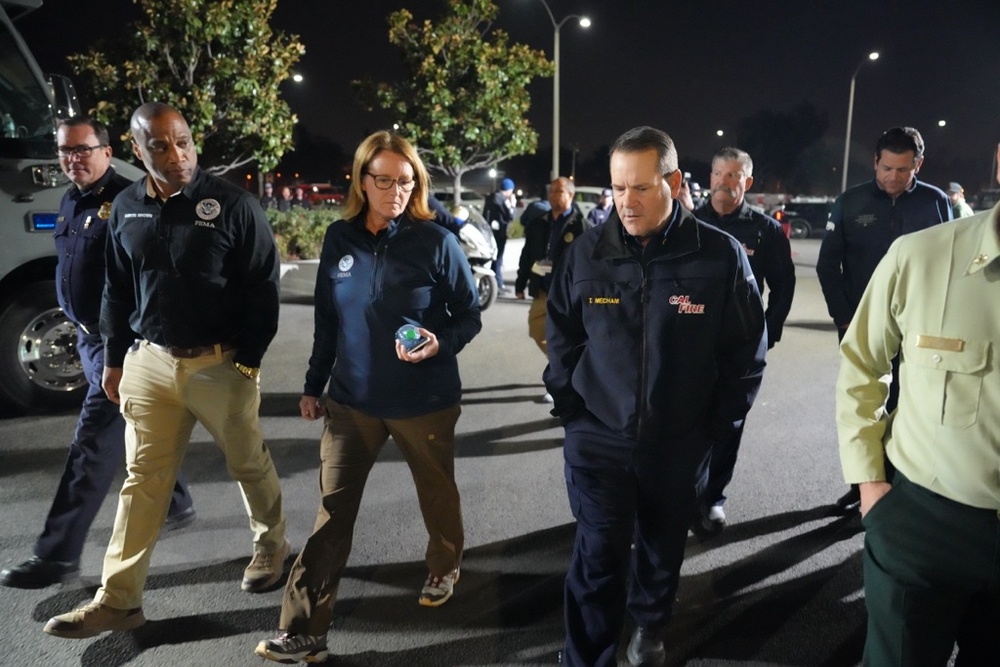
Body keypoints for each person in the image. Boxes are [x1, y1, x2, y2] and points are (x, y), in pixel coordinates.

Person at [43, 102, 288, 639]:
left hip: (221, 363)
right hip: (150, 364)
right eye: (159, 145)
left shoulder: (233, 205)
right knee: (143, 483)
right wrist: (114, 358)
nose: (176, 155)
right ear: (136, 149)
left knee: (248, 463)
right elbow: (116, 288)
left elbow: (263, 287)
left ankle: (271, 546)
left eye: (183, 141)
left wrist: (247, 359)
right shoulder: (126, 205)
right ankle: (120, 601)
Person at [254, 131, 481, 664]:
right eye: (384, 180)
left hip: (424, 400)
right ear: (361, 179)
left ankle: (444, 563)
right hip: (351, 402)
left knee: (436, 493)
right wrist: (313, 385)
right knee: (332, 514)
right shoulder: (339, 239)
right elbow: (328, 321)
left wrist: (439, 342)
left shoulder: (437, 242)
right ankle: (303, 630)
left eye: (407, 181)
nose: (396, 190)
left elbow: (469, 314)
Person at [545, 126, 766, 667]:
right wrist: (572, 406)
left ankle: (648, 624)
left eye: (639, 188)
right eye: (618, 189)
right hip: (598, 437)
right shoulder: (588, 252)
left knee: (662, 547)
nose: (626, 202)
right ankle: (586, 655)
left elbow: (745, 355)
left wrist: (712, 429)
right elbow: (562, 335)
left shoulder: (720, 256)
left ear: (671, 182)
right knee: (596, 555)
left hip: (678, 441)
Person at [0, 116, 195, 591]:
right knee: (136, 428)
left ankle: (57, 554)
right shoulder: (71, 198)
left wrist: (120, 351)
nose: (73, 159)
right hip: (88, 340)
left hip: (121, 346)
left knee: (91, 446)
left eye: (83, 150)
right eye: (65, 151)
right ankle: (177, 500)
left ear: (108, 152)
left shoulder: (131, 201)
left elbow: (146, 281)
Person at [836, 142, 1000, 666]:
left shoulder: (931, 200)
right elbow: (862, 362)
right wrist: (870, 485)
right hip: (923, 523)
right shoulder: (922, 254)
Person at [816, 126, 951, 515]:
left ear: (918, 166)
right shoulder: (850, 201)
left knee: (911, 405)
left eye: (903, 169)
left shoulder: (935, 203)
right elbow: (828, 266)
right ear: (875, 161)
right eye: (886, 167)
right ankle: (861, 484)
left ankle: (899, 481)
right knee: (863, 405)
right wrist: (845, 320)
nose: (892, 176)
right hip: (863, 326)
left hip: (919, 326)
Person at [693, 146, 795, 535]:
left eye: (734, 175)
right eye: (719, 173)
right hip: (692, 347)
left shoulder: (765, 230)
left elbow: (783, 285)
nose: (724, 182)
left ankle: (713, 498)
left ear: (747, 183)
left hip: (740, 352)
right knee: (686, 422)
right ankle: (685, 496)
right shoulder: (687, 221)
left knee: (728, 424)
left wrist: (767, 333)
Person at [514, 177, 588, 403]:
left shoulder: (580, 226)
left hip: (566, 292)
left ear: (571, 195)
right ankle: (569, 366)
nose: (554, 195)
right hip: (542, 287)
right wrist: (521, 282)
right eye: (552, 191)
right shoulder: (539, 222)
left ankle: (561, 380)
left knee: (561, 336)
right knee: (537, 330)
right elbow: (527, 254)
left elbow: (587, 261)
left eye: (559, 191)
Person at [482, 177, 516, 291]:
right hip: (499, 232)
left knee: (493, 258)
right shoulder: (502, 199)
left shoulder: (491, 197)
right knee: (498, 258)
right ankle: (498, 284)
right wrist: (513, 204)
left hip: (490, 231)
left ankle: (494, 283)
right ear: (509, 189)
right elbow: (511, 215)